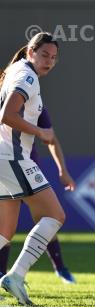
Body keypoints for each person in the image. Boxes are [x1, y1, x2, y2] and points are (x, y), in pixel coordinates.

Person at [0, 32, 64, 306]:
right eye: (44, 55)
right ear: (30, 52)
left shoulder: (17, 71)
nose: (49, 61)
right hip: (12, 157)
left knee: (5, 230)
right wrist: (40, 132)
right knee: (55, 215)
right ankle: (16, 275)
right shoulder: (27, 76)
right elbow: (7, 115)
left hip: (5, 157)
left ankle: (15, 275)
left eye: (54, 57)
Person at [0, 106, 76, 284]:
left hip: (27, 167)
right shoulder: (17, 94)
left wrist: (62, 170)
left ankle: (59, 268)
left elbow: (51, 137)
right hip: (9, 166)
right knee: (8, 227)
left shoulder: (35, 102)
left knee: (46, 219)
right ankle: (6, 275)